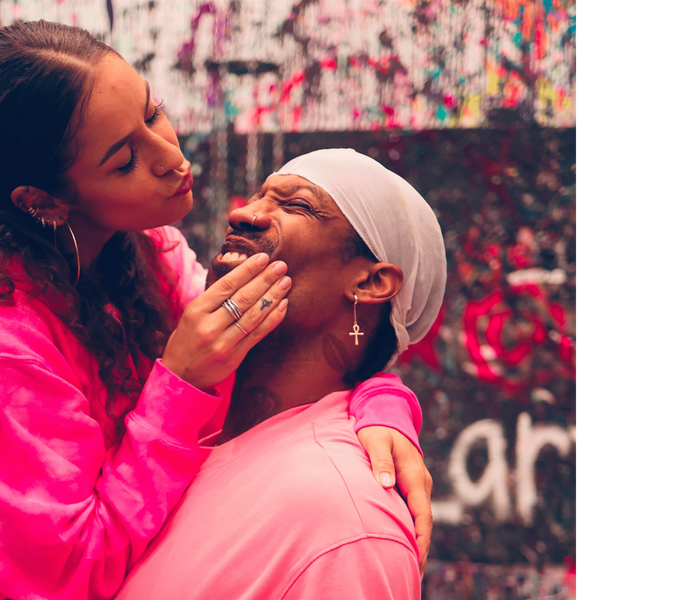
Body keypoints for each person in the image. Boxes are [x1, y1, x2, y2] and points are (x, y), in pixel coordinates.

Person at [0, 21, 431, 600]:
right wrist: (181, 383)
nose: (171, 157)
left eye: (153, 114)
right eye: (124, 160)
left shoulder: (142, 245)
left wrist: (381, 402)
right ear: (45, 199)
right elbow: (66, 577)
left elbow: (277, 353)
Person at [115, 149, 446, 599]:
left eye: (297, 205)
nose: (243, 213)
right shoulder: (185, 426)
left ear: (370, 283)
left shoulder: (345, 525)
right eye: (259, 196)